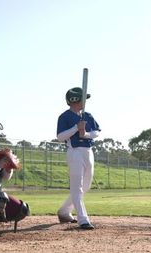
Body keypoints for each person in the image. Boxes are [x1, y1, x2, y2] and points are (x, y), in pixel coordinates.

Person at [56, 87, 100, 230]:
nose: (84, 102)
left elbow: (96, 132)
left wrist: (85, 134)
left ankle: (64, 211)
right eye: (82, 99)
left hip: (88, 151)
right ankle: (83, 219)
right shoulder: (64, 117)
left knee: (85, 186)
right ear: (74, 100)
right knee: (77, 187)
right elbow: (60, 137)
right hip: (74, 152)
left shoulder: (88, 115)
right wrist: (76, 127)